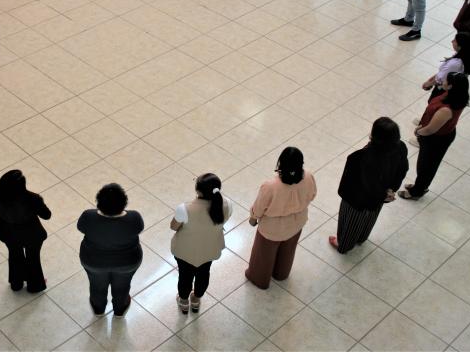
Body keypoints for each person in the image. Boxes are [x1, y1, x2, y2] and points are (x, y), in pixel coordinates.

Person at [330, 118, 408, 254]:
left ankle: (344, 245)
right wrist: (390, 190)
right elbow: (403, 168)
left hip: (357, 199)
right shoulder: (401, 147)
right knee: (371, 216)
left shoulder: (360, 157)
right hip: (381, 196)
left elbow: (356, 182)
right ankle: (361, 238)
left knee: (352, 222)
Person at [245, 148, 316, 289]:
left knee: (264, 255)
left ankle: (259, 279)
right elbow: (312, 195)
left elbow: (259, 208)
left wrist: (253, 218)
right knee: (288, 250)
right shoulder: (308, 177)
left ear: (280, 163)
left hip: (272, 229)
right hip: (297, 223)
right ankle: (281, 274)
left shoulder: (270, 186)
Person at [400, 72, 469, 200]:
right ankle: (420, 185)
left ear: (451, 86)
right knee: (426, 164)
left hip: (436, 139)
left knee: (426, 166)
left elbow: (431, 129)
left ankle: (417, 191)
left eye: (446, 81)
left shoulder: (446, 110)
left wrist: (418, 131)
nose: (444, 81)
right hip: (438, 135)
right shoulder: (455, 96)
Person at [77, 183, 143, 317]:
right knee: (122, 286)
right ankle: (120, 309)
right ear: (124, 202)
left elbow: (80, 228)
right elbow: (139, 229)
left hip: (93, 261)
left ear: (99, 202)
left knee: (96, 286)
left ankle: (98, 308)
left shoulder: (88, 216)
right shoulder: (134, 218)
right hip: (127, 262)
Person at [170, 173, 230, 314]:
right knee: (204, 274)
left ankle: (184, 302)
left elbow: (174, 226)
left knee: (185, 276)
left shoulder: (185, 209)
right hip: (209, 249)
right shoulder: (227, 205)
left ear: (197, 190)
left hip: (185, 252)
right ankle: (196, 300)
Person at [0, 169, 52, 292]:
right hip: (32, 234)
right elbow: (47, 215)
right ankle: (35, 285)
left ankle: (16, 283)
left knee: (15, 255)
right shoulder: (33, 198)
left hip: (7, 232)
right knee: (33, 258)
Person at [421, 33, 470, 101]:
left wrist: (428, 84)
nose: (452, 41)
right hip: (453, 88)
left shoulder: (455, 64)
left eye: (455, 40)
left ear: (460, 46)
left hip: (443, 91)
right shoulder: (467, 57)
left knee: (433, 105)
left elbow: (440, 79)